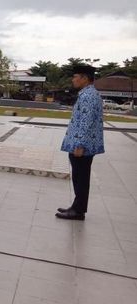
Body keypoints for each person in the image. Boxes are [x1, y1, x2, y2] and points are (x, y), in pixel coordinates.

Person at [56, 64, 104, 221]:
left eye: (75, 76)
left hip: (81, 146)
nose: (73, 79)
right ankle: (77, 207)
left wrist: (79, 145)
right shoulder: (88, 94)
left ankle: (78, 211)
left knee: (81, 177)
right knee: (79, 177)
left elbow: (86, 122)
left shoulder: (88, 96)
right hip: (81, 143)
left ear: (85, 78)